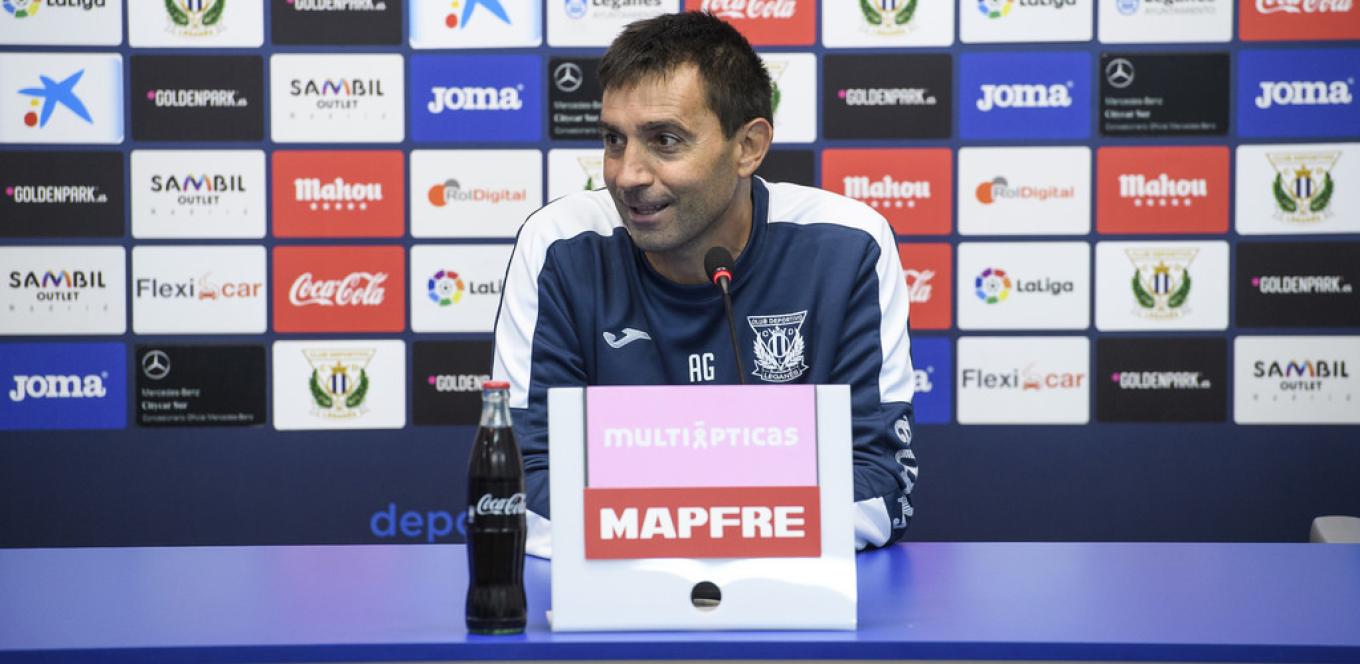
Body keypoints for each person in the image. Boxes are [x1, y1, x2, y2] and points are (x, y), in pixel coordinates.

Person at [491, 11, 917, 558]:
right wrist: (724, 528)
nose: (627, 174)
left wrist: (663, 528)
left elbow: (880, 486)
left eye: (665, 140)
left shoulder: (847, 245)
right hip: (615, 599)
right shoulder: (560, 244)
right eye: (614, 140)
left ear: (748, 147)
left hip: (784, 599)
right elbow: (520, 488)